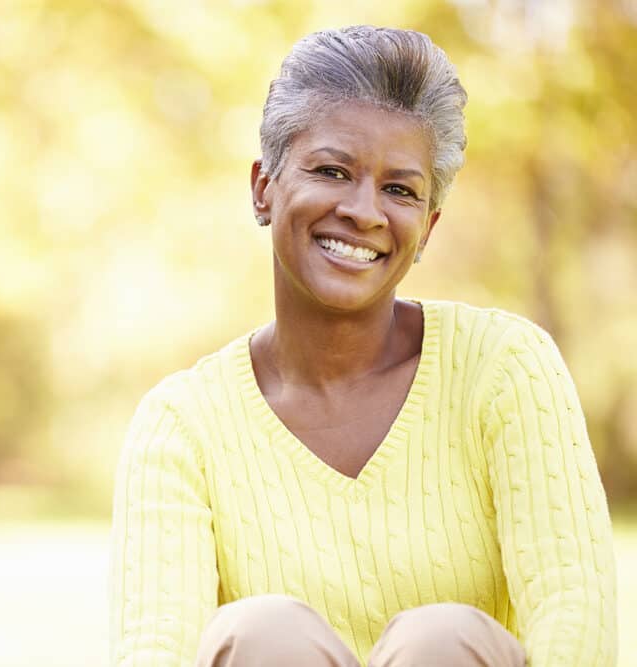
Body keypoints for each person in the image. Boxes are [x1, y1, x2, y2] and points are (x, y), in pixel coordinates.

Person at [108, 25, 617, 667]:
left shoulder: (505, 365)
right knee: (266, 633)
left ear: (427, 226)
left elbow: (576, 618)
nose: (365, 212)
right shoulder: (181, 426)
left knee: (442, 640)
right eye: (332, 171)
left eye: (400, 189)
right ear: (264, 186)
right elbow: (154, 651)